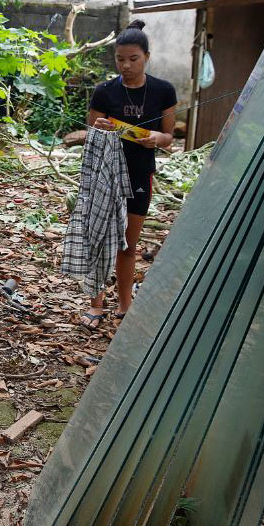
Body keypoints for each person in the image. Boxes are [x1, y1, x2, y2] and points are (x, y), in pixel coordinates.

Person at [81, 19, 176, 330]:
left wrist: (155, 139)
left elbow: (168, 137)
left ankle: (124, 303)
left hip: (139, 172)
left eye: (133, 59)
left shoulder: (163, 90)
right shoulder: (104, 91)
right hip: (105, 173)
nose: (126, 65)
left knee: (127, 243)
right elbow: (91, 129)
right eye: (120, 59)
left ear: (146, 56)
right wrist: (99, 128)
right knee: (99, 238)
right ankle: (96, 303)